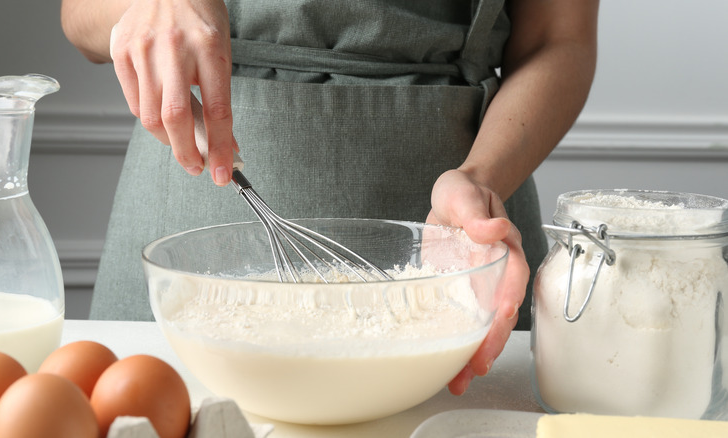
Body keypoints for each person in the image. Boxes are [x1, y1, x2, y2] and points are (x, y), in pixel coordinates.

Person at [61, 0, 599, 395]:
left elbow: (559, 37)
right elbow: (79, 17)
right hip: (183, 199)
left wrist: (482, 178)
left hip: (453, 228)